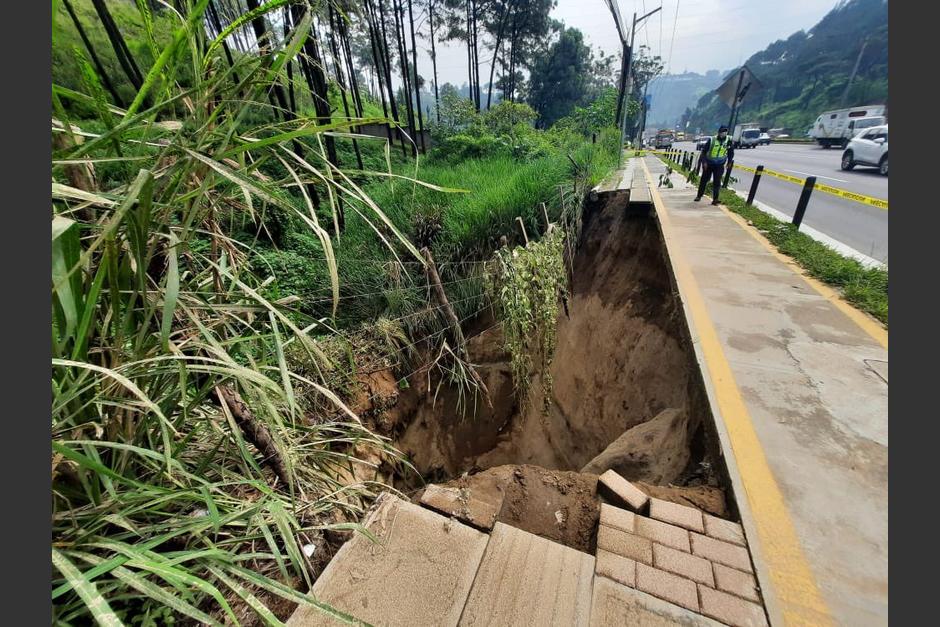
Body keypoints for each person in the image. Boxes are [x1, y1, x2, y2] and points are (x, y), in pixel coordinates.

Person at [694, 125, 734, 205]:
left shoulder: (729, 140)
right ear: (719, 132)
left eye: (725, 132)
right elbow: (704, 152)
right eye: (722, 132)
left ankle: (715, 199)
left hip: (719, 164)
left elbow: (730, 152)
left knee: (717, 181)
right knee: (704, 180)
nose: (723, 133)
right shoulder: (712, 140)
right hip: (709, 164)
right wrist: (704, 162)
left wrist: (729, 162)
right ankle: (699, 195)